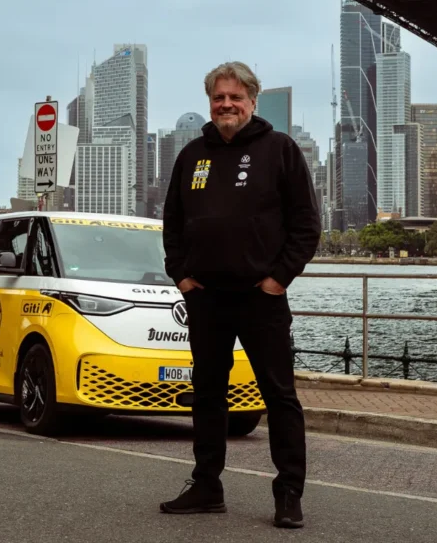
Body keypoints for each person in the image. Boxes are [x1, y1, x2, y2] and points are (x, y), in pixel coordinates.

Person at [159, 61, 321, 529]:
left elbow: (306, 225)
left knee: (279, 396)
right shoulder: (192, 155)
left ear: (252, 100)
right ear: (209, 102)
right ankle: (206, 485)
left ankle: (289, 492)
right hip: (207, 298)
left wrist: (278, 280)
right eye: (218, 98)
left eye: (235, 97)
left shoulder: (280, 150)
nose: (226, 105)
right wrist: (181, 275)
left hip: (261, 298)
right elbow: (172, 222)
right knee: (208, 394)